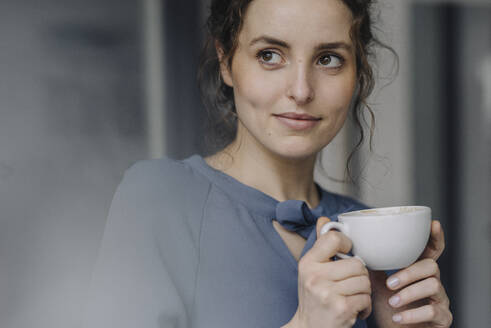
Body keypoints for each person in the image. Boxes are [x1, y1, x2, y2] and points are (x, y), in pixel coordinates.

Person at [83, 0, 453, 327]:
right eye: (270, 55)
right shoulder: (159, 200)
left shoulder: (369, 233)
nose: (301, 89)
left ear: (357, 71)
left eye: (328, 59)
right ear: (226, 61)